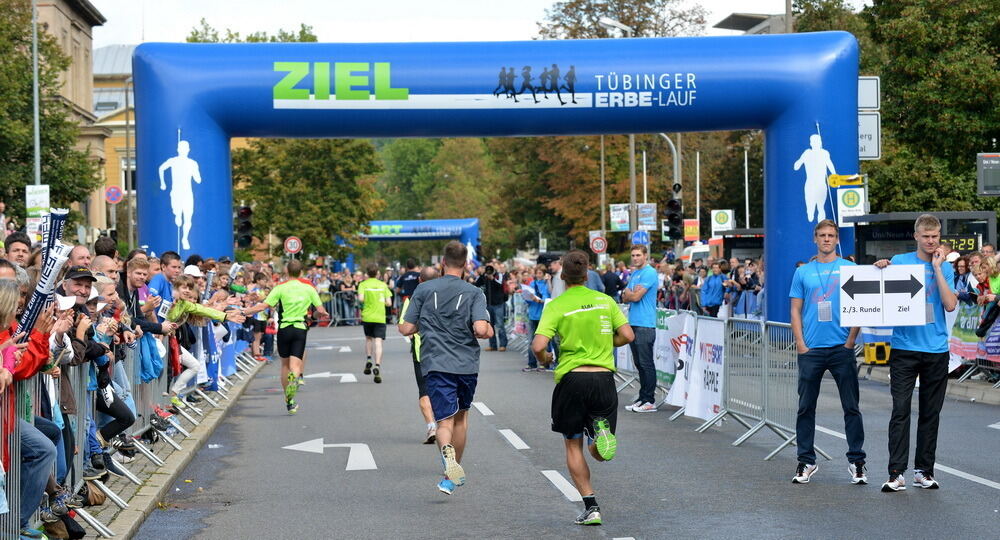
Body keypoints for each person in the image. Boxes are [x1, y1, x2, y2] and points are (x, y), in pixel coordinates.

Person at [531, 250, 634, 526]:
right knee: (598, 452)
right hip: (603, 378)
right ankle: (599, 435)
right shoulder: (605, 300)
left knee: (572, 443)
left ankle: (592, 507)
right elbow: (627, 335)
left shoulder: (556, 305)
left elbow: (538, 346)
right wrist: (603, 344)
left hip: (572, 379)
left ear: (562, 275)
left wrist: (546, 359)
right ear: (587, 274)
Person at [398, 241, 492, 495]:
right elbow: (482, 329)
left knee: (444, 422)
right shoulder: (474, 293)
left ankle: (447, 455)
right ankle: (452, 473)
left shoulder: (424, 290)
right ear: (466, 264)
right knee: (461, 418)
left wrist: (424, 325)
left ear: (443, 263)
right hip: (466, 364)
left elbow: (406, 328)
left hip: (437, 363)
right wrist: (487, 329)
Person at [873, 214, 957, 492]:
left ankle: (924, 470)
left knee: (930, 413)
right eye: (926, 236)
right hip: (904, 348)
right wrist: (880, 268)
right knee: (900, 410)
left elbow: (949, 304)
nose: (932, 241)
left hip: (936, 349)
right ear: (916, 236)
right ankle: (896, 472)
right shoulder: (900, 261)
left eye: (935, 237)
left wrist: (937, 268)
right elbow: (880, 292)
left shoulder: (944, 266)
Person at [789, 219, 866, 485]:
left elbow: (861, 306)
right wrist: (800, 343)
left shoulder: (850, 268)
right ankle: (806, 462)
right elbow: (795, 310)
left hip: (840, 348)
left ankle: (857, 462)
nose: (826, 239)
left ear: (837, 239)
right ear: (814, 238)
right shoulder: (803, 272)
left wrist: (850, 340)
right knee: (805, 407)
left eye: (831, 235)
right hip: (811, 349)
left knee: (851, 407)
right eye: (822, 235)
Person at [244, 259, 327, 414]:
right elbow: (319, 311)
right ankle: (294, 379)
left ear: (287, 271)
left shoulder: (280, 287)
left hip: (284, 328)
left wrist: (243, 312)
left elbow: (264, 306)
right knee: (295, 366)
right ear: (301, 272)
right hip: (300, 328)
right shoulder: (309, 288)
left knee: (284, 365)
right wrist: (319, 314)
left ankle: (289, 401)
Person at [398, 265, 440, 444]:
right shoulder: (447, 297)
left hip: (421, 351)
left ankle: (431, 425)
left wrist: (419, 326)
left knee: (424, 391)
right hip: (445, 351)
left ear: (419, 281)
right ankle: (446, 425)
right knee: (443, 389)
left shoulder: (413, 299)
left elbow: (403, 328)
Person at [619, 245, 659, 413]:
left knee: (646, 363)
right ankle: (642, 397)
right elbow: (625, 296)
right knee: (638, 364)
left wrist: (630, 294)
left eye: (638, 255)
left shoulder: (649, 272)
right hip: (634, 321)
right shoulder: (634, 273)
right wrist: (629, 294)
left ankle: (650, 400)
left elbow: (635, 296)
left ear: (645, 256)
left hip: (645, 323)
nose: (635, 258)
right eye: (633, 255)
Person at [357, 263, 392, 383]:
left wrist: (368, 299)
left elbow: (360, 299)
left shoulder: (363, 284)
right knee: (378, 342)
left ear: (367, 273)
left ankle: (368, 359)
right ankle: (377, 365)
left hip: (367, 316)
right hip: (380, 317)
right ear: (377, 273)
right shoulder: (383, 285)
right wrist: (381, 300)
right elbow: (389, 303)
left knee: (368, 339)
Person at [475, 265, 508, 352]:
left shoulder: (499, 275)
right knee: (490, 325)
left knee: (500, 325)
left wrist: (492, 278)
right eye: (487, 270)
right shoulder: (484, 277)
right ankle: (493, 345)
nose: (489, 272)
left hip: (498, 304)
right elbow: (476, 284)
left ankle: (503, 344)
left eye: (490, 270)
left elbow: (500, 285)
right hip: (488, 304)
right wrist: (482, 275)